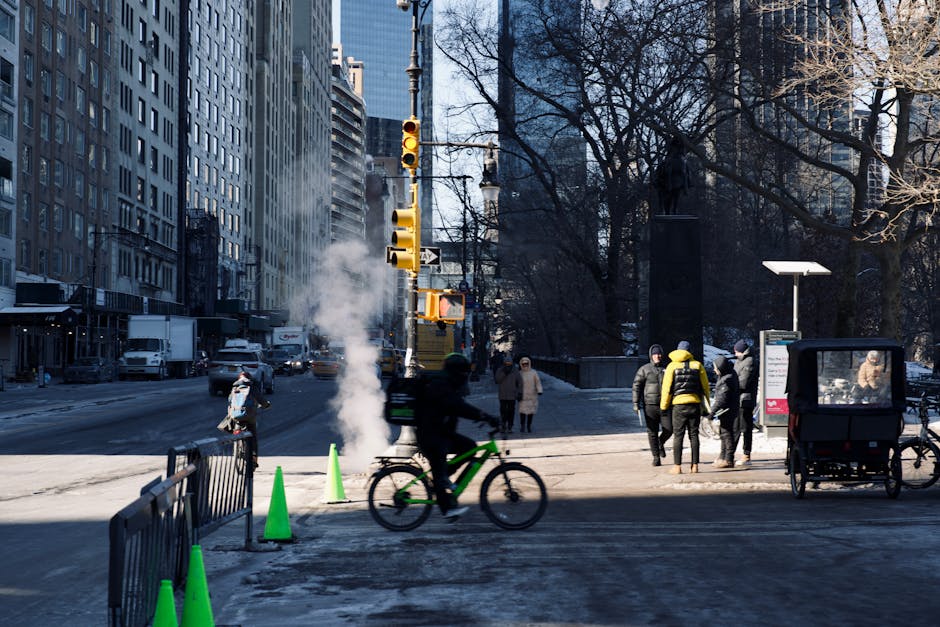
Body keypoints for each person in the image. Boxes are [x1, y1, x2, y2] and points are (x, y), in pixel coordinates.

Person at [415, 353, 498, 520]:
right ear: (456, 372)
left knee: (469, 447)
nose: (465, 377)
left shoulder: (447, 384)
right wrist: (484, 416)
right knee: (439, 471)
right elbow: (459, 407)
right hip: (431, 437)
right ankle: (447, 508)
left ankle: (445, 477)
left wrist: (483, 416)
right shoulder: (441, 386)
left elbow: (459, 406)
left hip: (440, 434)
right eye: (464, 373)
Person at [660, 340, 710, 474]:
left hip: (678, 405)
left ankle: (677, 466)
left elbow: (666, 389)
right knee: (694, 435)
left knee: (678, 436)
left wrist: (664, 406)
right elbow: (705, 387)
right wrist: (707, 406)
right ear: (689, 351)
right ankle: (695, 466)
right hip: (694, 404)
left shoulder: (671, 366)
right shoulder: (697, 365)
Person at [221, 369, 270, 469]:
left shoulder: (234, 388)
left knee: (234, 427)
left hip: (236, 416)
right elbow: (261, 400)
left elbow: (230, 400)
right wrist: (266, 405)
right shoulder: (251, 387)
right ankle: (254, 459)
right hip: (249, 416)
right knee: (253, 437)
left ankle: (237, 445)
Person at [632, 344, 672, 466]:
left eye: (659, 354)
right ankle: (656, 457)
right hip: (650, 405)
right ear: (651, 355)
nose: (657, 356)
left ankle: (660, 443)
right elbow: (636, 386)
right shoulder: (644, 369)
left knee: (669, 429)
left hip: (665, 405)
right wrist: (635, 403)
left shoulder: (667, 368)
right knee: (652, 432)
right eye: (655, 354)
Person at [710, 355, 740, 469]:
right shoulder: (728, 374)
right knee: (724, 434)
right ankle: (723, 457)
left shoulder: (726, 379)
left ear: (721, 368)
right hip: (729, 409)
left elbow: (721, 399)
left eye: (715, 368)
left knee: (727, 434)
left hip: (727, 410)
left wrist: (711, 413)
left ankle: (728, 459)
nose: (714, 370)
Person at [733, 339, 759, 467]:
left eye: (737, 351)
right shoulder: (740, 361)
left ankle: (746, 454)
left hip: (745, 400)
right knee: (736, 427)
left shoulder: (750, 362)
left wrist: (731, 384)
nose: (735, 353)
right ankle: (730, 454)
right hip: (738, 399)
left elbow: (743, 382)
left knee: (744, 428)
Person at [494, 355, 522, 433]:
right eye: (506, 362)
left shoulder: (515, 371)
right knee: (503, 411)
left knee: (511, 411)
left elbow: (520, 382)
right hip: (502, 395)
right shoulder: (500, 370)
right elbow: (497, 380)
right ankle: (503, 426)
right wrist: (504, 373)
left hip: (512, 395)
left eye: (509, 362)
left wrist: (519, 392)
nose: (508, 364)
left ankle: (510, 426)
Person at [517, 357, 543, 433]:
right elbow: (516, 384)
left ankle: (529, 426)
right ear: (521, 364)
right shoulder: (520, 373)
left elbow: (537, 382)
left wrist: (539, 390)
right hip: (523, 396)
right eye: (523, 364)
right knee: (522, 412)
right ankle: (522, 426)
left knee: (531, 412)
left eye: (526, 364)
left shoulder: (533, 372)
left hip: (532, 395)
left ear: (529, 363)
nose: (525, 365)